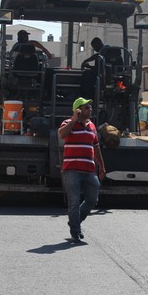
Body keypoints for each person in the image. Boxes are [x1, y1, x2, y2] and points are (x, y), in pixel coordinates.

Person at [57, 97, 106, 243]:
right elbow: (61, 134)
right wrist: (73, 120)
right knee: (74, 201)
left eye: (90, 107)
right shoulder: (68, 123)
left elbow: (96, 147)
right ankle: (76, 232)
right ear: (78, 110)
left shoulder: (91, 126)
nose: (90, 109)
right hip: (71, 170)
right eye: (86, 107)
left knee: (92, 200)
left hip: (89, 171)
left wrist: (102, 167)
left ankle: (74, 222)